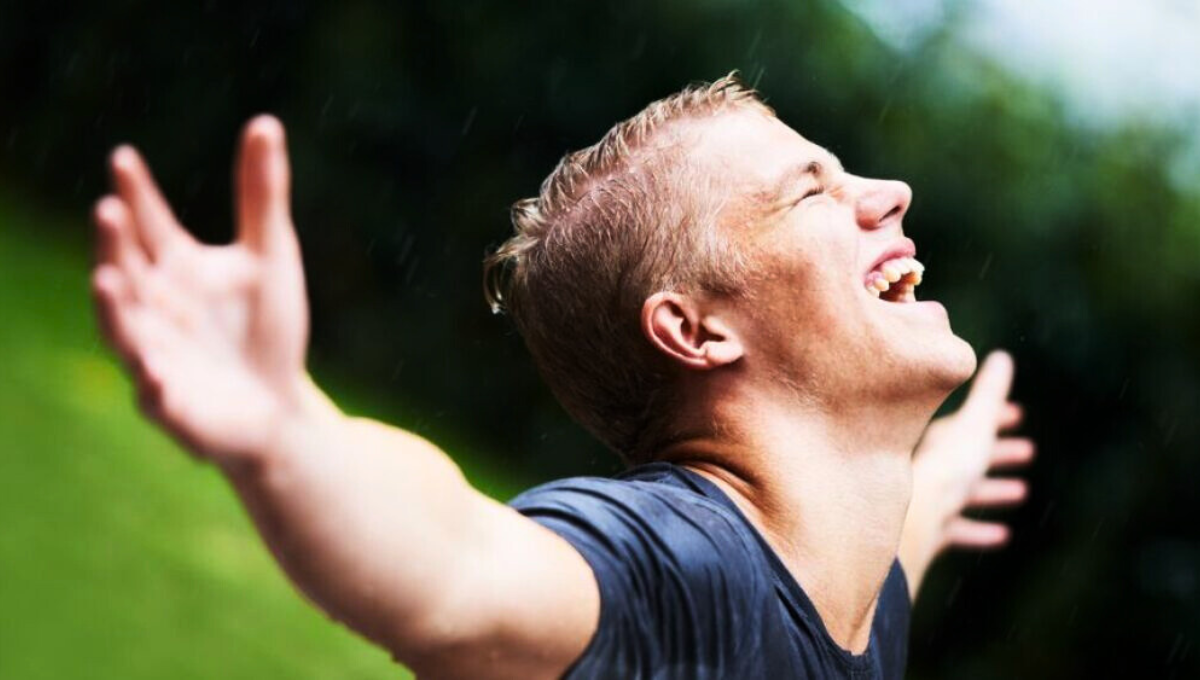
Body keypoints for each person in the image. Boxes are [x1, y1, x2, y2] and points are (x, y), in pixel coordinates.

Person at [90, 74, 1034, 678]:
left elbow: (900, 531)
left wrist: (945, 467)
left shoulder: (852, 585)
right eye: (811, 191)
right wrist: (289, 432)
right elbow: (458, 569)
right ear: (695, 330)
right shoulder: (680, 571)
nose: (888, 193)